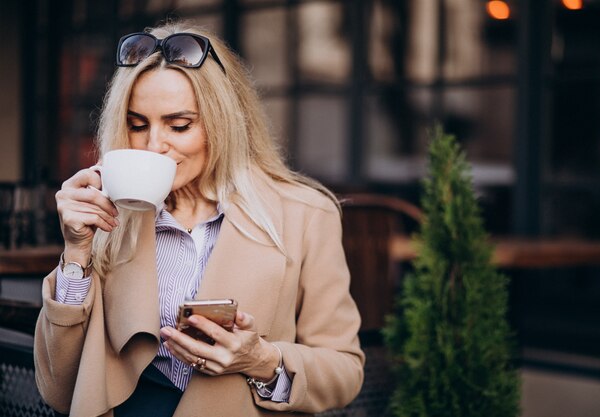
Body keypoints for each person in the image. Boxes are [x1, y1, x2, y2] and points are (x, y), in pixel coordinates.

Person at [34, 21, 364, 417]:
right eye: (138, 125)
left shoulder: (305, 215)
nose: (154, 145)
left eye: (179, 125)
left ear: (225, 123)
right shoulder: (110, 213)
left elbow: (345, 371)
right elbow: (58, 385)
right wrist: (75, 254)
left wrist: (261, 360)